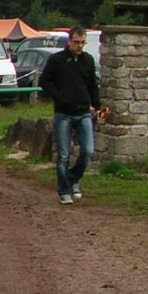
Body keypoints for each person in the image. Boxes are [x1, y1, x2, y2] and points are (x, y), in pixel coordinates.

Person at [37, 26, 109, 205]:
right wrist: (57, 96)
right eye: (76, 42)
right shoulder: (57, 60)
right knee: (63, 155)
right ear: (69, 41)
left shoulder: (88, 60)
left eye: (82, 42)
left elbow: (92, 85)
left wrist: (98, 106)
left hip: (83, 112)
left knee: (87, 150)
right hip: (64, 113)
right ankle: (64, 190)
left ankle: (72, 179)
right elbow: (44, 80)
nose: (79, 46)